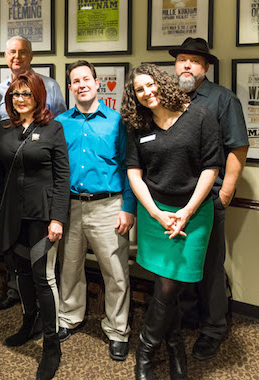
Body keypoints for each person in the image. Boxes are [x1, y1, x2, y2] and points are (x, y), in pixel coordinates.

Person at [121, 63, 223, 379]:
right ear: (134, 96)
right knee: (167, 285)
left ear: (162, 83)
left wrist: (187, 212)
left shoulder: (200, 116)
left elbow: (211, 166)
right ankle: (174, 345)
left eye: (150, 85)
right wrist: (154, 212)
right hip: (155, 214)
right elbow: (134, 173)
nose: (147, 92)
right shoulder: (139, 125)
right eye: (139, 89)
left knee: (171, 284)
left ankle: (145, 351)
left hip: (193, 213)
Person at [170, 37, 249, 360]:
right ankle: (188, 315)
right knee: (181, 261)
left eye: (194, 61)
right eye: (182, 60)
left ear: (205, 67)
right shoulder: (169, 97)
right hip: (174, 197)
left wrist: (227, 189)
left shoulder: (222, 100)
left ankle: (214, 327)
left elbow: (238, 147)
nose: (186, 65)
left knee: (211, 265)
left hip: (209, 198)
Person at [0, 71, 70, 380]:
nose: (20, 100)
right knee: (20, 270)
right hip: (12, 213)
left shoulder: (53, 129)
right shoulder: (5, 129)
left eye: (26, 94)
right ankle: (28, 322)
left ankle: (52, 347)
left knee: (41, 276)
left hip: (42, 214)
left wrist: (58, 218)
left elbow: (62, 178)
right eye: (15, 95)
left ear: (39, 97)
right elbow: (3, 170)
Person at [55, 60, 135, 361]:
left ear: (97, 82)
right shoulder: (62, 123)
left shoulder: (118, 122)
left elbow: (130, 168)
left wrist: (128, 208)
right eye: (75, 81)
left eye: (86, 79)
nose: (81, 84)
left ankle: (117, 330)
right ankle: (69, 317)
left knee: (115, 272)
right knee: (70, 267)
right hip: (72, 206)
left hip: (109, 206)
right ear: (71, 87)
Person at [0, 36, 66, 311]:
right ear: (5, 56)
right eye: (12, 52)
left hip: (40, 182)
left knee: (40, 266)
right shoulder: (3, 88)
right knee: (16, 250)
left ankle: (45, 315)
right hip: (14, 182)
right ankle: (17, 294)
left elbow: (55, 132)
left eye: (22, 52)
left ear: (31, 56)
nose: (17, 57)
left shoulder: (50, 86)